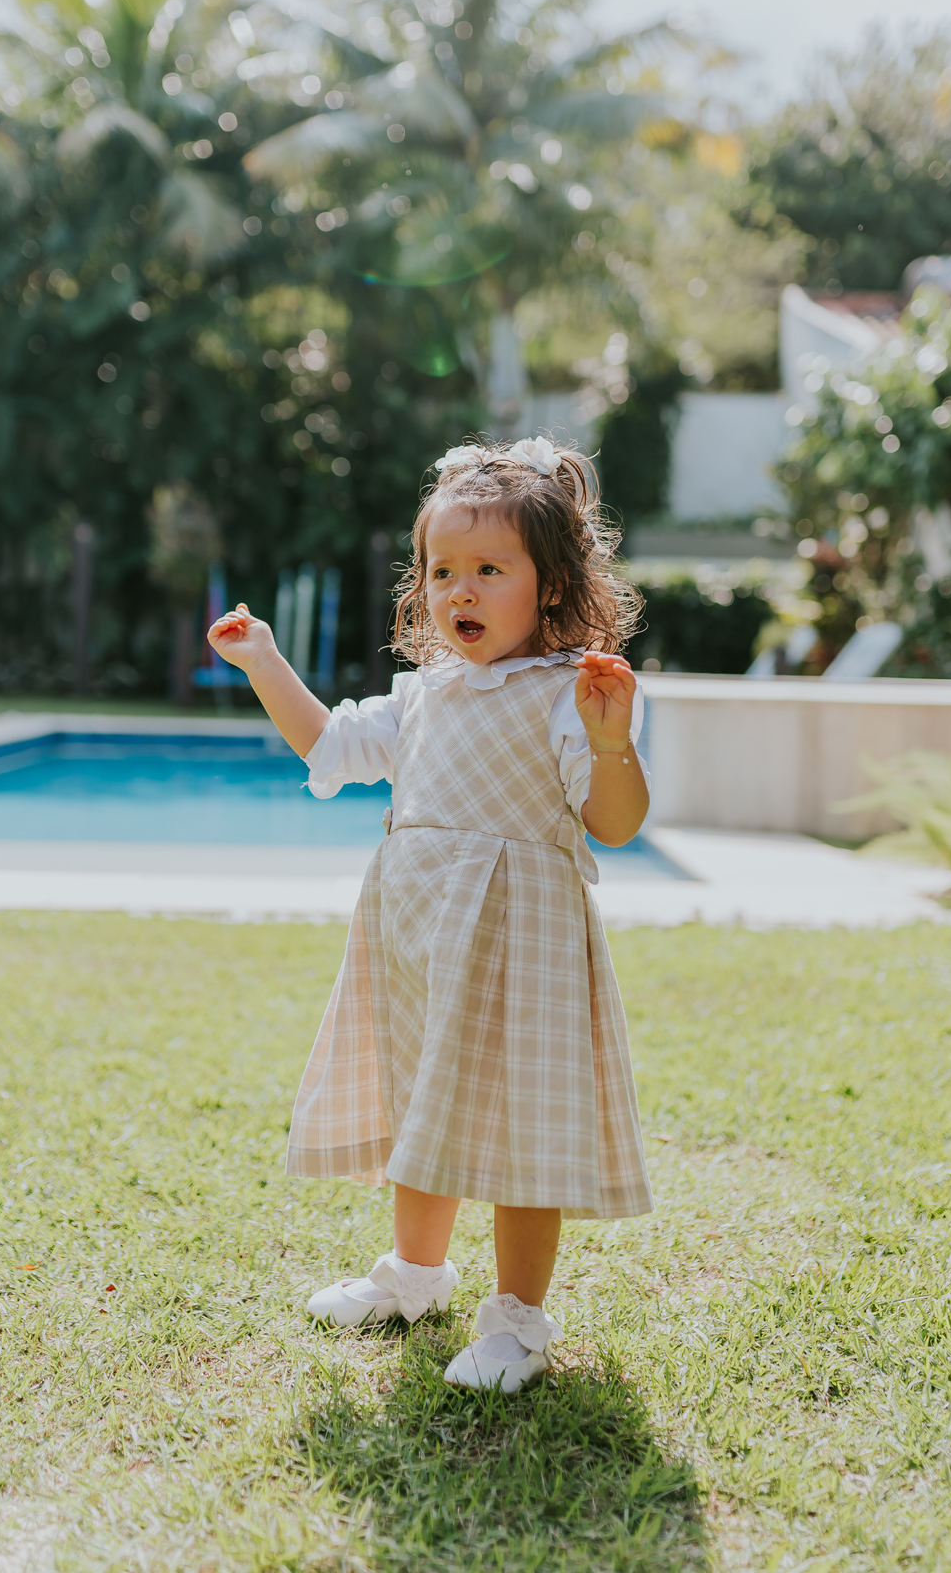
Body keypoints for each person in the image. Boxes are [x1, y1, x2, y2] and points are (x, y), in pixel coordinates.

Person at [208, 435, 654, 1393]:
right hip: (418, 940)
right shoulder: (421, 697)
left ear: (552, 584)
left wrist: (614, 744)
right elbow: (327, 741)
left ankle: (518, 1321)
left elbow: (613, 826)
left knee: (519, 1131)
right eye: (443, 569)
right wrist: (265, 663)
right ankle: (415, 1274)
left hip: (521, 949)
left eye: (491, 569)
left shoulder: (569, 697)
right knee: (424, 1102)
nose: (462, 589)